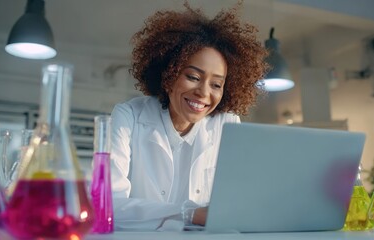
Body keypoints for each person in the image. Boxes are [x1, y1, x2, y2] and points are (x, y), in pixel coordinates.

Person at [110, 1, 269, 231]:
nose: (204, 93)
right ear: (168, 73)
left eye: (216, 84)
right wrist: (190, 214)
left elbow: (239, 200)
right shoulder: (128, 118)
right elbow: (108, 206)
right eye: (193, 77)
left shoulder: (228, 124)